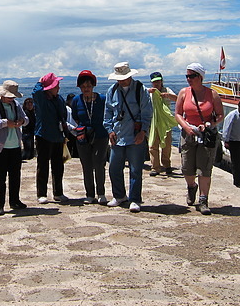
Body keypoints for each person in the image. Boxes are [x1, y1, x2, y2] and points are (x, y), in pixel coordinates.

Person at [174, 63, 225, 215]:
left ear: (200, 77)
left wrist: (210, 124)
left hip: (206, 136)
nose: (189, 79)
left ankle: (203, 200)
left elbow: (220, 114)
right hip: (188, 135)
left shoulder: (212, 94)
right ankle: (191, 186)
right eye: (187, 76)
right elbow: (177, 113)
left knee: (204, 169)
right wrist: (186, 127)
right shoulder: (184, 93)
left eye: (192, 76)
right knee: (187, 168)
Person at [104, 62, 152, 213]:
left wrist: (142, 132)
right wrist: (109, 130)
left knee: (136, 169)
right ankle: (119, 196)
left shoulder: (140, 90)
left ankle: (135, 199)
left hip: (134, 135)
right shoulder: (112, 91)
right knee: (114, 168)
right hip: (118, 136)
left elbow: (147, 112)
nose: (121, 81)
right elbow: (108, 114)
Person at [0, 80, 29, 215]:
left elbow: (26, 119)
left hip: (15, 145)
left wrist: (22, 122)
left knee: (15, 175)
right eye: (10, 96)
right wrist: (4, 123)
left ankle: (15, 201)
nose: (11, 99)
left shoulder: (16, 104)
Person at [70, 70, 109, 204]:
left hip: (100, 135)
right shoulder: (76, 100)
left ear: (93, 86)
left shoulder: (102, 99)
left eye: (88, 86)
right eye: (83, 87)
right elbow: (75, 116)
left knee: (99, 164)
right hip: (83, 137)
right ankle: (90, 194)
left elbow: (108, 115)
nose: (86, 89)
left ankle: (101, 193)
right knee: (86, 166)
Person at [32, 72, 69, 204]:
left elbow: (63, 114)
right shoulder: (41, 100)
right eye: (56, 85)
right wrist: (40, 82)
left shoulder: (58, 99)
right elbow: (35, 93)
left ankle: (58, 192)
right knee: (43, 166)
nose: (58, 87)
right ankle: (41, 193)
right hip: (44, 136)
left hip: (58, 136)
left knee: (58, 166)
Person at [147, 72, 178, 177]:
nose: (157, 84)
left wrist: (168, 96)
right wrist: (148, 92)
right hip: (153, 121)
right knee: (153, 145)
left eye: (158, 81)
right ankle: (155, 167)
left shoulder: (167, 90)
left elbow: (178, 99)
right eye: (154, 82)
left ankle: (166, 164)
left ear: (162, 81)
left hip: (165, 122)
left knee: (167, 144)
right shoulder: (149, 92)